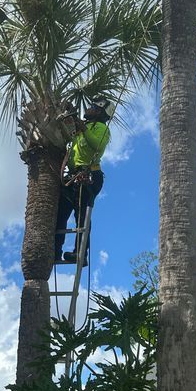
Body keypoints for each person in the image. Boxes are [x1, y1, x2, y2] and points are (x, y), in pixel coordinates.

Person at [54, 96, 113, 266]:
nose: (89, 108)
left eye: (93, 107)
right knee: (61, 214)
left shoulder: (101, 128)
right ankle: (55, 251)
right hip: (72, 176)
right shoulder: (83, 127)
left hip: (89, 176)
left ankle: (80, 254)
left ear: (100, 112)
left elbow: (98, 146)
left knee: (81, 216)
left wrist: (84, 130)